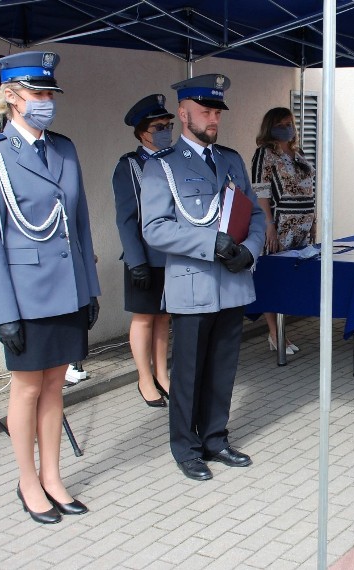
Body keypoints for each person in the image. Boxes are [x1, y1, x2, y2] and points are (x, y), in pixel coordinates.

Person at [0, 51, 100, 523]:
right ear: (12, 97)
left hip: (66, 291)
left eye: (50, 94)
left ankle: (53, 478)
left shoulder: (64, 148)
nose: (47, 102)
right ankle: (28, 483)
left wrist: (88, 290)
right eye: (38, 94)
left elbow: (80, 226)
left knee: (54, 388)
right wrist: (3, 314)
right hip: (25, 298)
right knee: (26, 390)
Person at [140, 74, 267, 481]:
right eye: (205, 111)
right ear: (183, 114)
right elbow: (154, 227)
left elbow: (257, 215)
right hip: (192, 284)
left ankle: (215, 438)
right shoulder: (163, 166)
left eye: (217, 112)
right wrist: (208, 242)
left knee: (223, 369)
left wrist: (251, 249)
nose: (213, 118)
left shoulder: (230, 159)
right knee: (189, 372)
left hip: (232, 283)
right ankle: (186, 447)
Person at [112, 94, 174, 407]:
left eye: (168, 126)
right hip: (143, 258)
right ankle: (144, 378)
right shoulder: (130, 166)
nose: (166, 131)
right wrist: (136, 261)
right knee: (144, 319)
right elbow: (125, 218)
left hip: (170, 255)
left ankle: (162, 374)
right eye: (159, 127)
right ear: (142, 133)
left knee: (164, 318)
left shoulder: (173, 161)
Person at [251, 107, 316, 355]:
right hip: (279, 223)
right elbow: (260, 192)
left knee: (292, 279)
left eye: (290, 123)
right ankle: (275, 333)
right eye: (281, 124)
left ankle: (281, 331)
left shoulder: (298, 152)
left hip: (302, 224)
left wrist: (313, 221)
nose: (288, 128)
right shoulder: (265, 154)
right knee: (274, 279)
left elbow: (309, 188)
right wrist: (268, 225)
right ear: (271, 127)